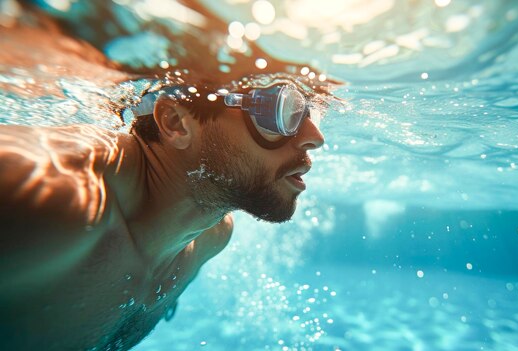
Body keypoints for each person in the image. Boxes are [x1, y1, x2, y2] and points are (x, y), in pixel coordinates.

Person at [0, 2, 330, 351]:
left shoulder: (210, 237)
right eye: (279, 110)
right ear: (175, 123)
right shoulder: (52, 201)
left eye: (311, 114)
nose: (315, 137)